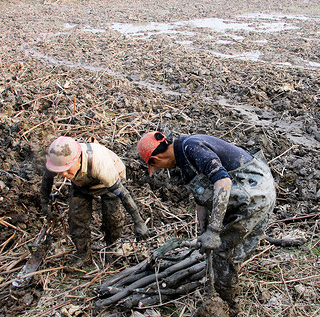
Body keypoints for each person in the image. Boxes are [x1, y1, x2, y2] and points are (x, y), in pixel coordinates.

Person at [137, 131, 276, 316]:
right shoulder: (182, 156)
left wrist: (214, 229)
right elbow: (201, 198)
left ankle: (227, 307)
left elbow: (223, 181)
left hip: (253, 195)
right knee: (232, 252)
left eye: (158, 167)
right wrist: (203, 232)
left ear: (155, 159)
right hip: (250, 195)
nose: (164, 170)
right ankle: (227, 288)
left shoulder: (191, 147)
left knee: (222, 253)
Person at [41, 136, 149, 265]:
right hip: (81, 183)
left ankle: (112, 249)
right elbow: (47, 179)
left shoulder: (101, 165)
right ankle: (83, 254)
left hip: (107, 183)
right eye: (60, 171)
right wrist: (44, 202)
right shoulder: (56, 160)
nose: (63, 174)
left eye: (67, 168)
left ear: (78, 159)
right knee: (76, 218)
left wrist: (139, 222)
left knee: (112, 217)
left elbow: (123, 194)